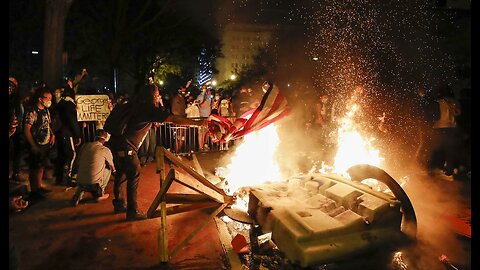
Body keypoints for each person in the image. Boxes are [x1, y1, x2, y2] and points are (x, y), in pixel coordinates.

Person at [108, 83, 206, 221]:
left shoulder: (131, 105)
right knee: (134, 173)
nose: (158, 96)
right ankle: (132, 211)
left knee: (121, 173)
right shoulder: (147, 109)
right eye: (157, 94)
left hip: (114, 144)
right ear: (152, 96)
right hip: (126, 147)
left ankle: (118, 203)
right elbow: (174, 119)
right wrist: (199, 123)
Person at [23, 87, 55, 201]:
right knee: (34, 167)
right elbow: (27, 129)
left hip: (45, 143)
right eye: (48, 98)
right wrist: (33, 145)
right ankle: (34, 191)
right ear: (40, 99)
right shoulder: (32, 111)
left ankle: (39, 187)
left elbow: (48, 124)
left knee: (41, 166)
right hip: (36, 143)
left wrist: (52, 134)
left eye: (51, 98)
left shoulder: (46, 110)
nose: (50, 100)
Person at [70, 129, 114, 206]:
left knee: (85, 170)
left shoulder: (84, 146)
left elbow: (78, 161)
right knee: (108, 169)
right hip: (94, 184)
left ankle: (77, 195)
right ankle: (100, 193)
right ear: (105, 139)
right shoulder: (105, 150)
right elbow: (112, 166)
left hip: (80, 181)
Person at [53, 87, 82, 186]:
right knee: (72, 154)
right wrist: (77, 135)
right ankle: (69, 178)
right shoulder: (70, 105)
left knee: (61, 155)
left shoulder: (60, 104)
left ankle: (59, 177)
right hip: (67, 133)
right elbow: (72, 121)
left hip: (60, 133)